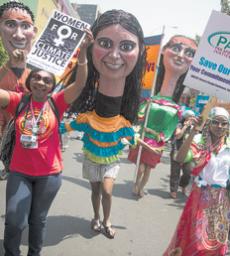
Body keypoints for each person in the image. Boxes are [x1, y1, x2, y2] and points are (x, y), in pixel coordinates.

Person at [0, 30, 92, 256]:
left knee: (38, 221)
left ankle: (34, 254)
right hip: (19, 172)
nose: (41, 82)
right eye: (37, 78)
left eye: (47, 80)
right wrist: (9, 65)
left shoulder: (57, 103)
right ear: (30, 82)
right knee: (14, 221)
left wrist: (83, 52)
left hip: (49, 175)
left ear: (51, 86)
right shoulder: (18, 100)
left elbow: (80, 84)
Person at [60, 9, 146, 239]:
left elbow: (132, 136)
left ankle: (107, 219)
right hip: (91, 156)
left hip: (110, 159)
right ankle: (96, 216)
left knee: (107, 190)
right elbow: (65, 127)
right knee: (95, 191)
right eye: (105, 43)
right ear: (92, 46)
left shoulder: (123, 123)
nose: (115, 55)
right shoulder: (86, 119)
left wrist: (137, 139)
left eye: (126, 46)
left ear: (140, 52)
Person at [128, 35, 198, 197]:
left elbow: (173, 130)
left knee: (148, 169)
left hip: (157, 142)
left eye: (189, 53)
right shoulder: (149, 98)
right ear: (163, 52)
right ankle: (137, 185)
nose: (180, 55)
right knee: (141, 167)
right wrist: (138, 130)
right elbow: (139, 117)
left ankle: (141, 187)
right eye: (176, 48)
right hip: (143, 138)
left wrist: (186, 127)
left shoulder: (177, 108)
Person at [164, 107, 230, 256]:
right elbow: (180, 158)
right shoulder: (200, 141)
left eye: (224, 123)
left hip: (222, 200)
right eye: (216, 122)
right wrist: (193, 131)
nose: (220, 126)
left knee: (216, 242)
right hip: (200, 196)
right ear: (209, 123)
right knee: (197, 238)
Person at [0, 1, 37, 179]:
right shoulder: (2, 73)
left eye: (25, 26)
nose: (19, 34)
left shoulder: (41, 77)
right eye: (10, 24)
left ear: (34, 33)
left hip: (28, 147)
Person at [169, 109, 196, 199]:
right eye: (190, 117)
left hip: (189, 153)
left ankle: (183, 185)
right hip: (177, 150)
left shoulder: (194, 127)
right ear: (185, 118)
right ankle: (173, 190)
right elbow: (178, 135)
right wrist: (185, 127)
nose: (191, 119)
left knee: (188, 171)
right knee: (175, 172)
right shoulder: (179, 125)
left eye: (193, 117)